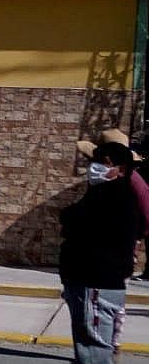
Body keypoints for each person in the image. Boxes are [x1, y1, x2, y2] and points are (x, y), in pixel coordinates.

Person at [55, 141, 143, 364]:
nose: (95, 165)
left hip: (97, 284)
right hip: (88, 281)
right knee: (89, 351)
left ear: (119, 169)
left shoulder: (116, 198)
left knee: (95, 354)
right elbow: (72, 219)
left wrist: (73, 221)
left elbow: (76, 222)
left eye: (101, 161)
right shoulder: (102, 194)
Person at [75, 128, 149, 348]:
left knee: (112, 303)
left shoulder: (134, 184)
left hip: (118, 252)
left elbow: (146, 217)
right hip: (96, 251)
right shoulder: (101, 181)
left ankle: (110, 347)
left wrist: (129, 238)